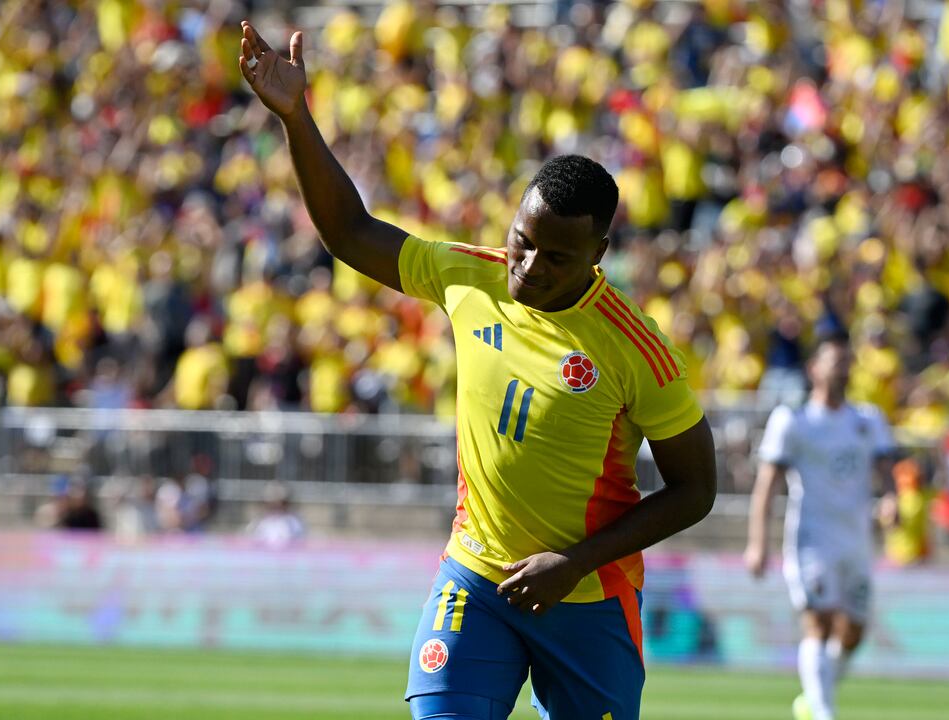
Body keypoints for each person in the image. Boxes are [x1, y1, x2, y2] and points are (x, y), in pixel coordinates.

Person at [238, 23, 718, 720]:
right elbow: (349, 232)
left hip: (587, 599)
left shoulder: (635, 350)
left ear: (599, 252)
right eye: (522, 242)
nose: (527, 267)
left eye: (556, 258)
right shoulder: (470, 276)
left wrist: (576, 561)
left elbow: (696, 489)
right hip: (476, 577)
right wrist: (295, 117)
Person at [744, 333, 894, 720]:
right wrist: (757, 543)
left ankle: (814, 697)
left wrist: (891, 499)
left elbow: (886, 471)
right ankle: (824, 714)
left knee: (853, 632)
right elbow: (767, 486)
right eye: (834, 361)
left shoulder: (868, 420)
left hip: (857, 540)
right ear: (814, 369)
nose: (842, 368)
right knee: (819, 622)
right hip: (812, 540)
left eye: (847, 361)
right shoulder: (793, 421)